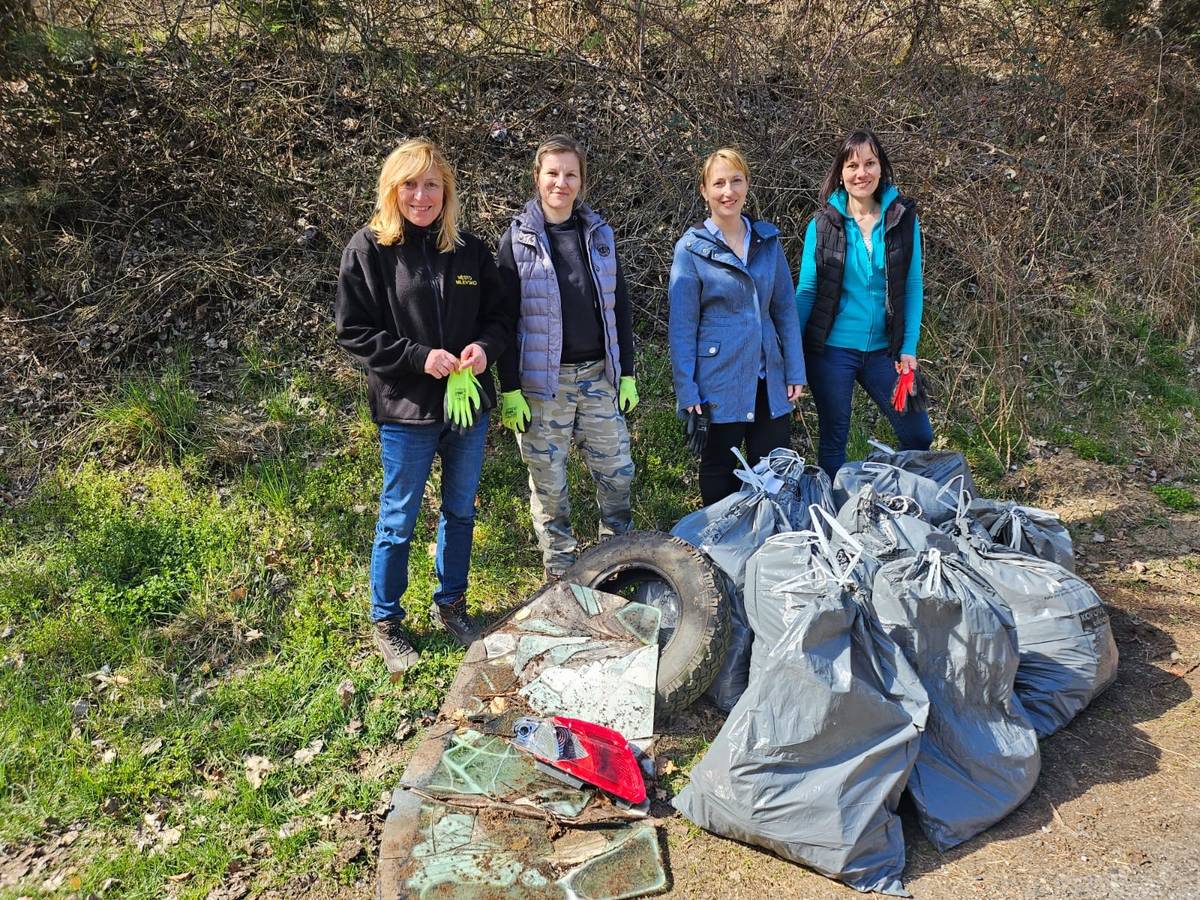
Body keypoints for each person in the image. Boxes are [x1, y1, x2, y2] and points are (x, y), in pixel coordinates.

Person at [335, 138, 514, 675]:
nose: (421, 195)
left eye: (432, 184)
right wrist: (417, 357)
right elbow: (353, 331)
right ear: (393, 189)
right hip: (406, 410)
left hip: (467, 412)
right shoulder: (369, 249)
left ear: (446, 192)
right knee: (398, 519)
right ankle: (386, 621)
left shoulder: (470, 252)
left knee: (460, 512)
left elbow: (501, 319)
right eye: (410, 184)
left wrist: (484, 349)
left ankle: (451, 605)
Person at [496, 135, 638, 581]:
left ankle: (614, 563)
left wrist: (627, 373)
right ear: (537, 177)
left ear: (581, 181)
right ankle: (560, 575)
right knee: (550, 485)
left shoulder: (598, 235)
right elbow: (502, 319)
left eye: (570, 174)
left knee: (617, 473)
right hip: (543, 386)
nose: (561, 182)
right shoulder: (517, 240)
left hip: (598, 377)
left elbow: (621, 306)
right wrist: (510, 388)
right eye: (552, 173)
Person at [668, 147, 806, 506]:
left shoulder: (767, 242)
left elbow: (785, 310)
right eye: (719, 183)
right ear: (704, 191)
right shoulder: (691, 249)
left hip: (768, 377)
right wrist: (687, 390)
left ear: (747, 185)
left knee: (775, 472)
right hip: (719, 378)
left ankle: (771, 547)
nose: (728, 191)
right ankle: (718, 549)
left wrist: (794, 369)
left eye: (736, 181)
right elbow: (682, 327)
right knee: (719, 470)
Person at [795, 128, 934, 479]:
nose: (862, 173)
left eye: (870, 163)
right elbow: (808, 290)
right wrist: (789, 353)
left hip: (884, 352)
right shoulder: (823, 224)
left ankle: (902, 504)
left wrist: (908, 348)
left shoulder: (902, 218)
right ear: (840, 173)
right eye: (852, 165)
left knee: (918, 434)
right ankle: (834, 521)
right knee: (834, 442)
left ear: (881, 168)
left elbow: (913, 285)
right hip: (832, 350)